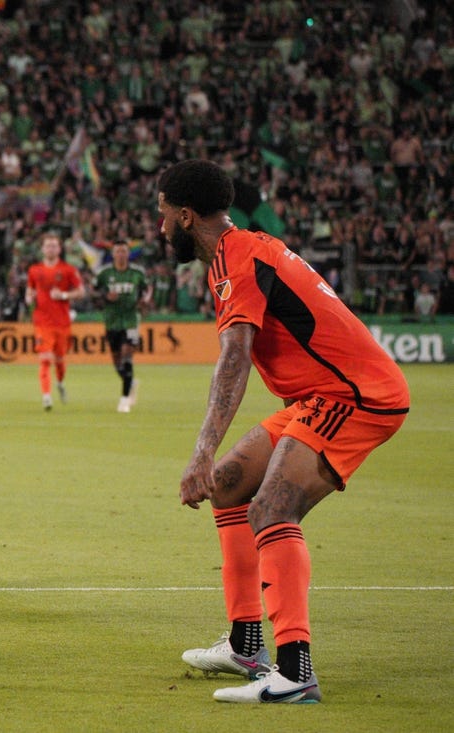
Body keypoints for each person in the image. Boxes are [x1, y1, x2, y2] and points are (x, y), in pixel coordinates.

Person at [158, 159, 409, 704]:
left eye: (161, 215)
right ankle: (247, 645)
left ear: (184, 216)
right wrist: (212, 462)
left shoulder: (236, 259)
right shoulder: (238, 251)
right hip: (315, 396)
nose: (158, 228)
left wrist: (201, 450)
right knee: (229, 485)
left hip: (356, 395)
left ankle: (296, 672)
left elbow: (235, 359)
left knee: (271, 508)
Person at [25, 232, 85, 410]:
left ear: (59, 249)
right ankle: (46, 396)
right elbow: (29, 292)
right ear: (42, 249)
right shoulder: (34, 270)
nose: (50, 248)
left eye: (54, 245)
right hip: (42, 322)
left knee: (60, 360)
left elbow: (81, 292)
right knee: (45, 359)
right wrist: (29, 298)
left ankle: (59, 383)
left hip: (62, 322)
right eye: (48, 245)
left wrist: (64, 294)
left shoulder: (68, 270)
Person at [94, 241, 152, 412]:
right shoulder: (104, 273)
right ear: (113, 254)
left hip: (131, 319)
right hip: (112, 320)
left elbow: (147, 289)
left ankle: (124, 399)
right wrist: (105, 296)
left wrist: (146, 300)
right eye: (117, 251)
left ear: (128, 254)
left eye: (123, 251)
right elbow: (94, 291)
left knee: (127, 356)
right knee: (117, 361)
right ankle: (130, 382)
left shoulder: (137, 273)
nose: (120, 254)